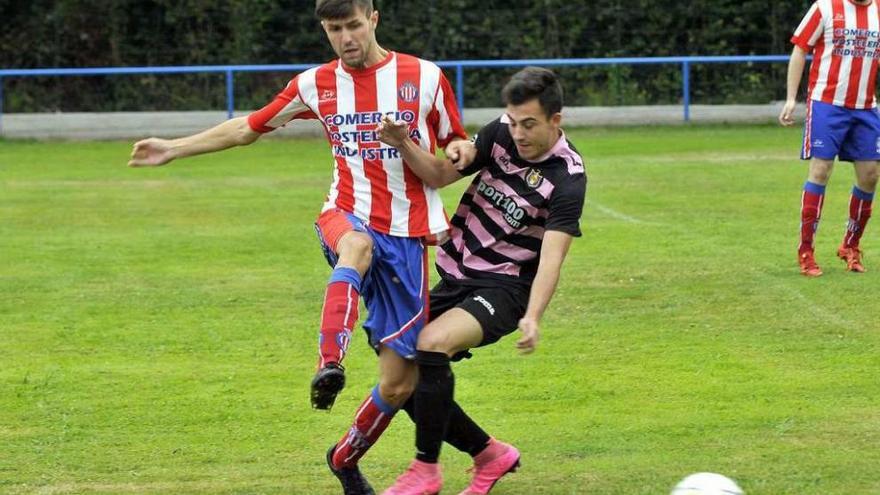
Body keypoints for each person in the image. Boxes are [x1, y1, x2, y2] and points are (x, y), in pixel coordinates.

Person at [128, 1, 467, 494]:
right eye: (335, 29)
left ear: (373, 19)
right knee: (354, 246)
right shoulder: (315, 84)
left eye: (353, 24)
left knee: (400, 383)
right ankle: (329, 362)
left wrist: (458, 149)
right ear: (326, 31)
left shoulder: (426, 77)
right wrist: (174, 147)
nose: (346, 37)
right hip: (346, 213)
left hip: (408, 238)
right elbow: (248, 127)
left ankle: (344, 458)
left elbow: (454, 140)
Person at [375, 67, 587, 495]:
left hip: (506, 289)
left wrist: (533, 316)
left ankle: (425, 469)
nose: (519, 134)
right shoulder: (500, 135)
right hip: (457, 272)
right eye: (513, 122)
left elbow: (552, 257)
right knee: (395, 355)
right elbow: (438, 175)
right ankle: (489, 454)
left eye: (529, 124)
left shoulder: (568, 178)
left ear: (555, 121)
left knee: (430, 344)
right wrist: (404, 143)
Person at [779, 0, 880, 277]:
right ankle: (806, 251)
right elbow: (800, 49)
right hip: (826, 103)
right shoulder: (825, 7)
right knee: (821, 169)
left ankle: (850, 245)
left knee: (870, 175)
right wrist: (791, 98)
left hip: (866, 107)